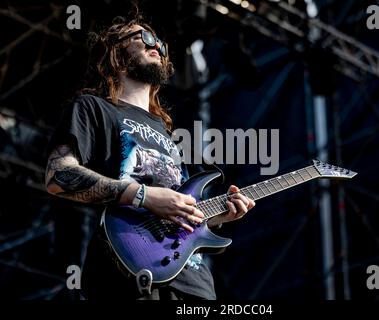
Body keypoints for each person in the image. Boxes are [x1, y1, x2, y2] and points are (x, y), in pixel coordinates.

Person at [45, 15, 255, 300]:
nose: (155, 44)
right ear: (116, 53)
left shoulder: (172, 137)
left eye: (159, 42)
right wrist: (144, 195)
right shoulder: (92, 108)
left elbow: (180, 211)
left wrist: (220, 215)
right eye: (142, 37)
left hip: (195, 285)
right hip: (129, 275)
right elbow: (59, 175)